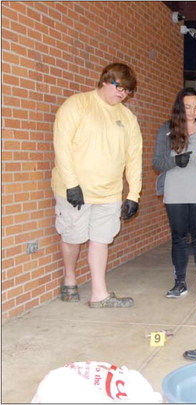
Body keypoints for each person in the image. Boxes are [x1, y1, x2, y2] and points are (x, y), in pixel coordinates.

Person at [51, 62, 142, 308]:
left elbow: (134, 157)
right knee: (72, 236)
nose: (122, 94)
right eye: (119, 87)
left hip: (110, 192)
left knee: (101, 239)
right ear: (105, 80)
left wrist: (133, 194)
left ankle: (99, 294)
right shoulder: (77, 104)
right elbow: (63, 146)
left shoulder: (127, 117)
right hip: (75, 189)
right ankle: (69, 279)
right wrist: (71, 184)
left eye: (127, 91)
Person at [153, 88, 196, 300]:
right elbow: (157, 162)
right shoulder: (167, 129)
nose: (192, 111)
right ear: (179, 107)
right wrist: (175, 161)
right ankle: (180, 283)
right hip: (174, 192)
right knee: (179, 238)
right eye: (188, 106)